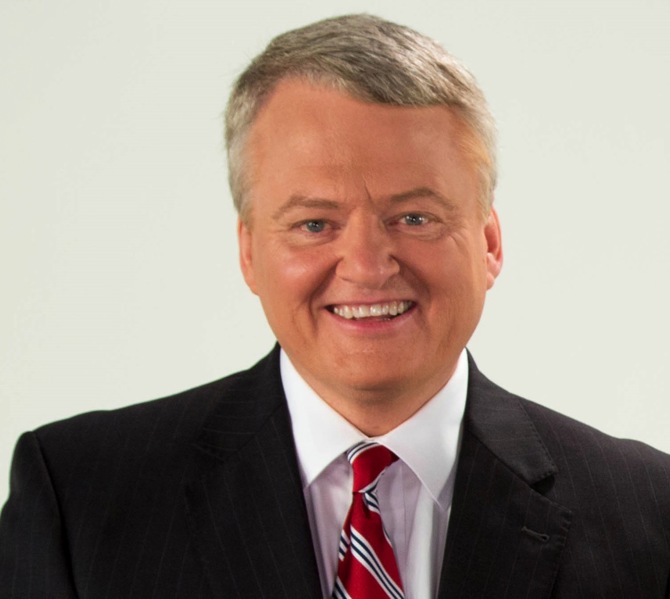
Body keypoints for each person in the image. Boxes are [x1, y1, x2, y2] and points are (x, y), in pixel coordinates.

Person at [1, 13, 669, 599]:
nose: (369, 265)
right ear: (248, 252)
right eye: (315, 224)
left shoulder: (648, 512)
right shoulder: (81, 500)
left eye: (414, 216)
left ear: (489, 242)